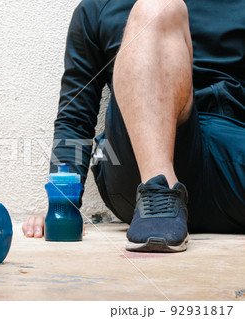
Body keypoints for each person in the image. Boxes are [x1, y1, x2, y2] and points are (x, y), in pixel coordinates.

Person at [22, 0, 245, 252]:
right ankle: (159, 190)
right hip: (138, 172)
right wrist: (62, 207)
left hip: (231, 161)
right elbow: (75, 120)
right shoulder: (98, 9)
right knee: (158, 7)